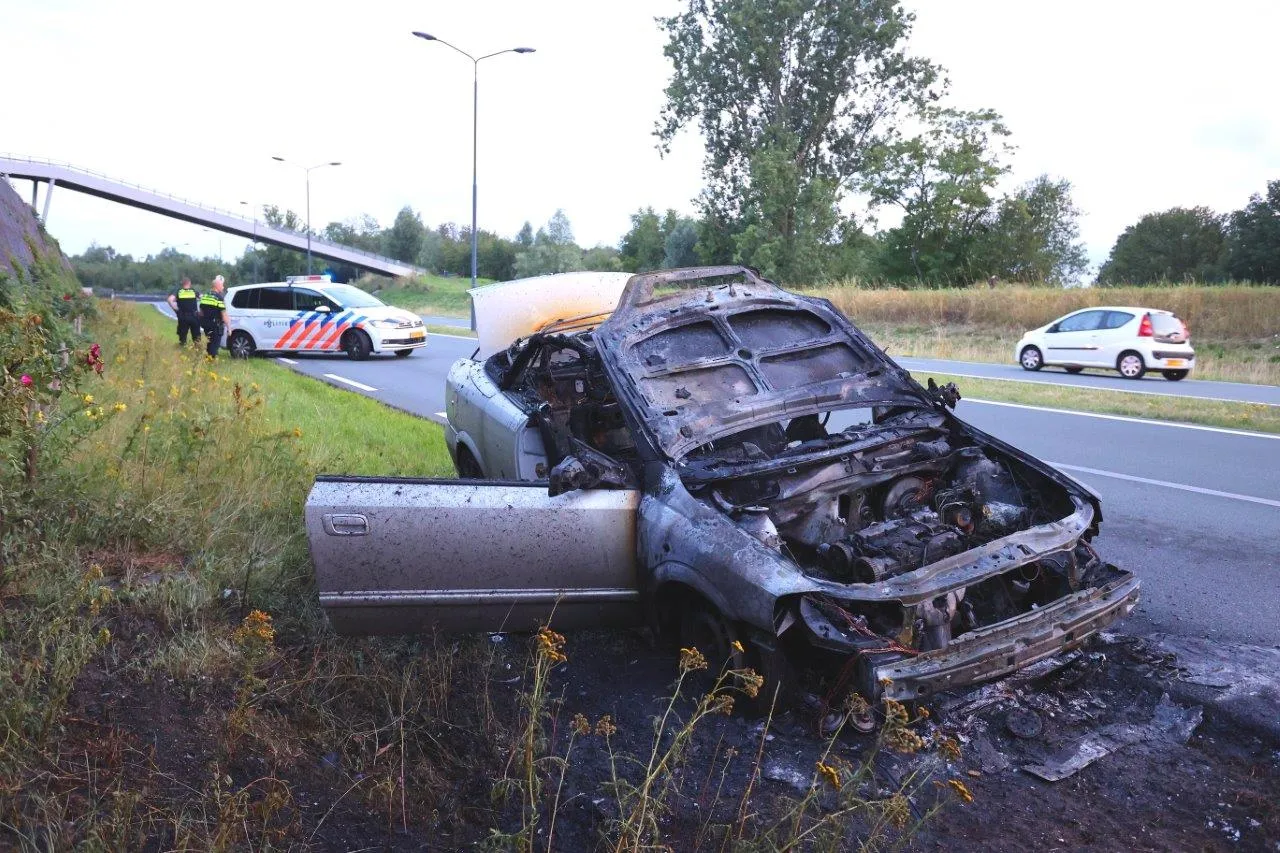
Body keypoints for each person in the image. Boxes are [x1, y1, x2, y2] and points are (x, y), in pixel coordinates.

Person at [198, 275, 230, 358]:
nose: (223, 287)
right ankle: (211, 363)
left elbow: (201, 313)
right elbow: (224, 315)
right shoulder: (219, 298)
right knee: (214, 347)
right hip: (216, 326)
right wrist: (229, 328)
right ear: (218, 286)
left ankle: (207, 361)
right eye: (222, 285)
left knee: (209, 344)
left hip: (206, 325)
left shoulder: (205, 296)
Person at [166, 277, 202, 346]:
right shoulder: (193, 291)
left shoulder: (179, 291)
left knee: (182, 337)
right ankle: (197, 351)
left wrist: (176, 310)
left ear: (182, 284)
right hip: (194, 316)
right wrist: (201, 312)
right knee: (196, 337)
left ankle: (183, 348)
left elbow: (170, 300)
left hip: (183, 317)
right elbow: (202, 298)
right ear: (189, 283)